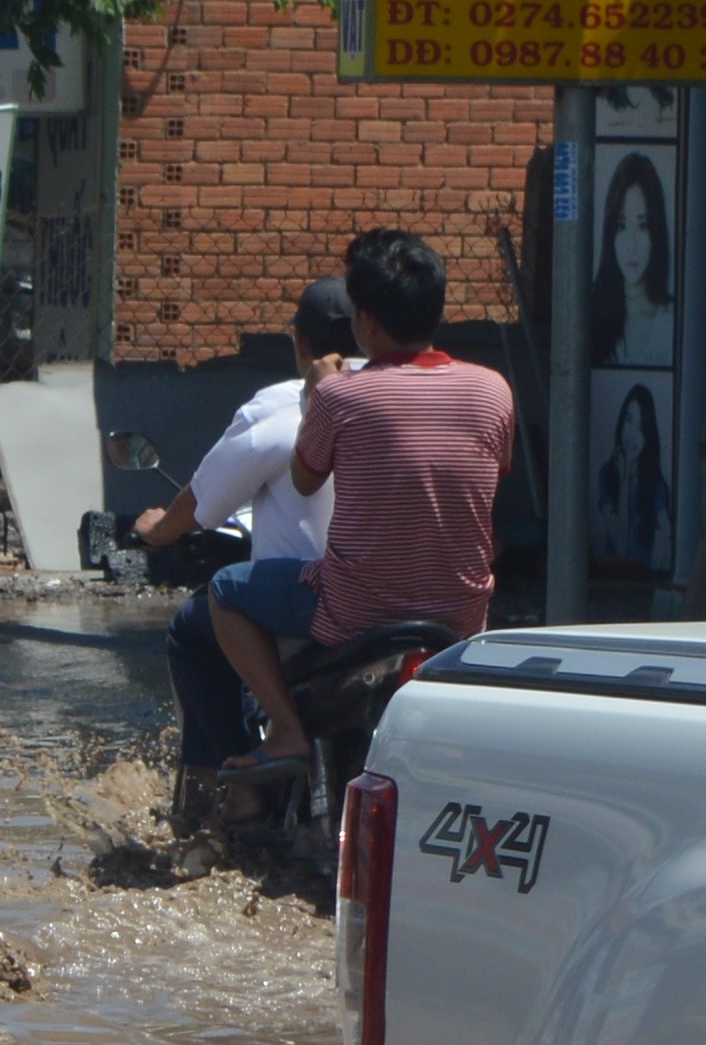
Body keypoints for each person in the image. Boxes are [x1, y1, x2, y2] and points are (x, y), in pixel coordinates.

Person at [226, 229, 518, 771]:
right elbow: (491, 476)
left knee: (225, 592)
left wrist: (316, 396)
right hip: (459, 615)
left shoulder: (341, 395)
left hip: (357, 610)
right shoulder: (492, 390)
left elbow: (305, 479)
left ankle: (285, 733)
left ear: (368, 323)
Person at [139, 275, 358, 774]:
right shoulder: (411, 393)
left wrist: (157, 531)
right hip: (411, 599)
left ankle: (226, 792)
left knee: (196, 623)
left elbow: (203, 504)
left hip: (316, 602)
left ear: (301, 343)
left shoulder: (283, 407)